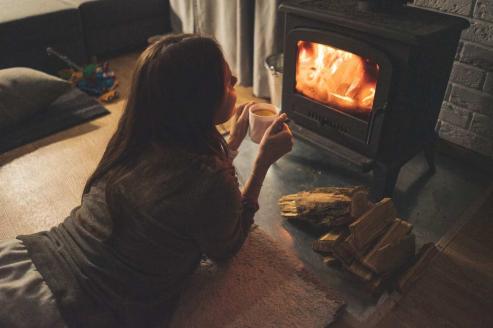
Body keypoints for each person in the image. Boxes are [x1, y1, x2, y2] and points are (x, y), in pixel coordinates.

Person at [0, 34, 293, 327]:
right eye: (228, 81)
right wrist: (262, 164)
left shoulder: (133, 139)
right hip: (70, 308)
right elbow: (226, 247)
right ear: (199, 100)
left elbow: (184, 187)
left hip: (31, 261)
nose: (236, 82)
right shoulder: (209, 181)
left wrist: (232, 143)